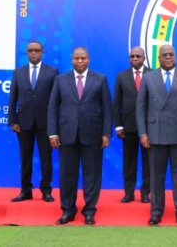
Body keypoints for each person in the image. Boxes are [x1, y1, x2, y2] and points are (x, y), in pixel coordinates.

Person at [136, 44, 177, 226]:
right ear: (159, 58)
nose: (168, 57)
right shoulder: (148, 78)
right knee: (156, 176)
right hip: (156, 134)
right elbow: (140, 108)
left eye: (171, 54)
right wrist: (143, 133)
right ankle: (156, 211)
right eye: (164, 55)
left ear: (176, 56)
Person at [47, 47, 112, 225]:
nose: (80, 61)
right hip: (67, 135)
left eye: (83, 58)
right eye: (76, 58)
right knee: (67, 175)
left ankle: (89, 211)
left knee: (92, 175)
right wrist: (52, 132)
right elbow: (53, 107)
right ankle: (68, 210)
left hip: (93, 135)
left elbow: (107, 108)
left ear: (89, 59)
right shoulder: (60, 80)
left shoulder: (100, 79)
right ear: (71, 60)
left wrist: (106, 133)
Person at [8, 41, 58, 203]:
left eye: (37, 50)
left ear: (42, 52)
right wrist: (12, 120)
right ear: (26, 53)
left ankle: (46, 190)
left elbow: (56, 99)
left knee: (46, 158)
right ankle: (25, 190)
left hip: (45, 122)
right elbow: (13, 98)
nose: (33, 53)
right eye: (30, 50)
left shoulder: (52, 72)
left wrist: (54, 123)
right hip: (23, 122)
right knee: (25, 157)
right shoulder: (18, 72)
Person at [113, 46, 151, 204]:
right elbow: (117, 103)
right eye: (132, 56)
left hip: (148, 128)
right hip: (127, 127)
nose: (135, 59)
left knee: (148, 162)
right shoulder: (122, 76)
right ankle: (129, 192)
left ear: (144, 58)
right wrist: (118, 126)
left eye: (138, 56)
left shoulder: (153, 74)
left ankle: (145, 192)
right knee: (129, 161)